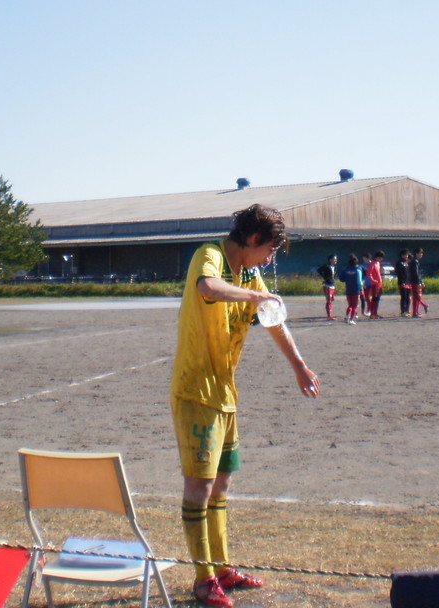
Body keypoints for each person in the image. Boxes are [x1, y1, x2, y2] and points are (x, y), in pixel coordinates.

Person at [170, 204, 319, 608]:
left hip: (225, 392)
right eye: (269, 251)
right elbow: (208, 288)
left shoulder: (250, 274)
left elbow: (272, 320)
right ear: (252, 240)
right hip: (195, 391)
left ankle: (221, 568)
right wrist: (254, 294)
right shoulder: (211, 255)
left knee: (222, 485)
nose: (270, 260)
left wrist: (299, 366)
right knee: (199, 487)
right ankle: (203, 580)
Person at [339, 254, 364, 324]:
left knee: (350, 305)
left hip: (348, 289)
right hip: (356, 290)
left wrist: (347, 279)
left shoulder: (346, 269)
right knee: (355, 306)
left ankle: (347, 316)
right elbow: (359, 281)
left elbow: (341, 278)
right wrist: (361, 288)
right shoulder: (358, 269)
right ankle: (351, 319)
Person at [317, 254, 338, 321]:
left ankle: (330, 314)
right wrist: (325, 277)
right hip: (327, 285)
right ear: (330, 260)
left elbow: (334, 275)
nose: (336, 260)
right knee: (328, 300)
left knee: (331, 300)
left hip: (332, 285)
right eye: (334, 259)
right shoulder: (327, 266)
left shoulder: (334, 267)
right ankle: (329, 316)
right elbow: (319, 270)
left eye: (336, 259)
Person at [364, 251, 385, 319]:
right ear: (377, 257)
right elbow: (368, 273)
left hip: (379, 284)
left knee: (377, 299)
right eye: (381, 257)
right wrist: (373, 280)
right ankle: (373, 313)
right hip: (375, 284)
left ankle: (375, 313)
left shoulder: (378, 263)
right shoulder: (373, 263)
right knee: (374, 299)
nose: (381, 259)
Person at [409, 247, 428, 317]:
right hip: (415, 282)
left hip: (416, 281)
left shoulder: (416, 261)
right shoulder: (414, 261)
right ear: (416, 254)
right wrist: (419, 282)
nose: (422, 254)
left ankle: (417, 311)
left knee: (417, 297)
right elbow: (416, 273)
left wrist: (421, 281)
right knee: (416, 297)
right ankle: (415, 312)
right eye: (420, 253)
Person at [397, 250, 412, 316]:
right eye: (405, 255)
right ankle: (403, 311)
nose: (406, 256)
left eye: (407, 255)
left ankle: (407, 310)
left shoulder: (407, 263)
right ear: (402, 255)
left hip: (408, 282)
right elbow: (398, 273)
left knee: (408, 297)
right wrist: (402, 281)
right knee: (403, 297)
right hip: (402, 282)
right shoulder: (399, 263)